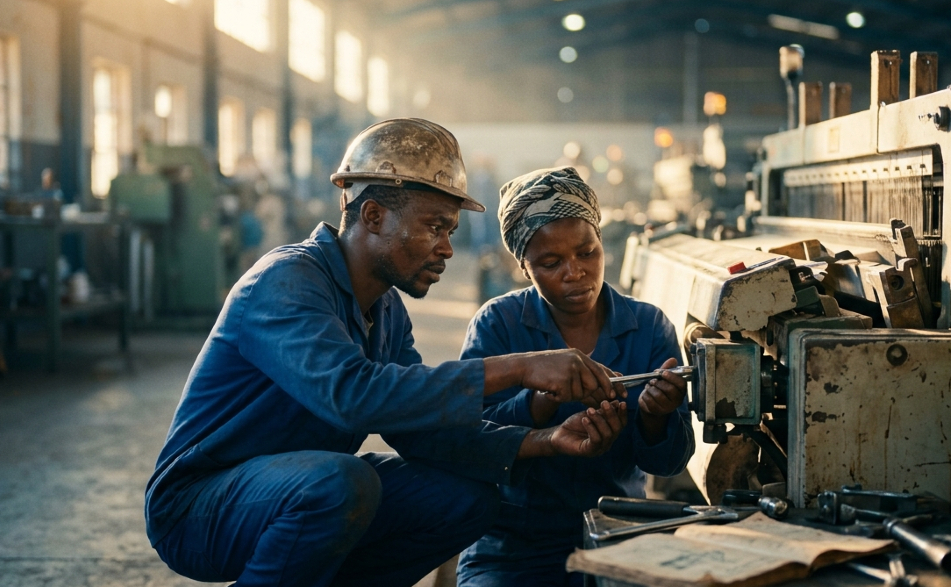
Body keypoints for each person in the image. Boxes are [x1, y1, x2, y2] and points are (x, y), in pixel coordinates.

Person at [145, 120, 630, 587]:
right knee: (342, 483)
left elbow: (422, 431)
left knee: (467, 498)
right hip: (198, 506)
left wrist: (547, 439)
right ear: (373, 215)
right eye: (434, 227)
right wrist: (522, 366)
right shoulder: (286, 282)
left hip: (299, 489)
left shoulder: (387, 311)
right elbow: (352, 394)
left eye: (450, 231)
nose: (446, 248)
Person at [456, 166, 695, 587]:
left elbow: (669, 462)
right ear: (524, 268)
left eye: (587, 252)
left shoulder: (649, 326)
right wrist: (539, 402)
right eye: (551, 262)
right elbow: (467, 440)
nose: (575, 272)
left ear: (602, 242)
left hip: (620, 533)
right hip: (514, 545)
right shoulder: (498, 325)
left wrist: (657, 417)